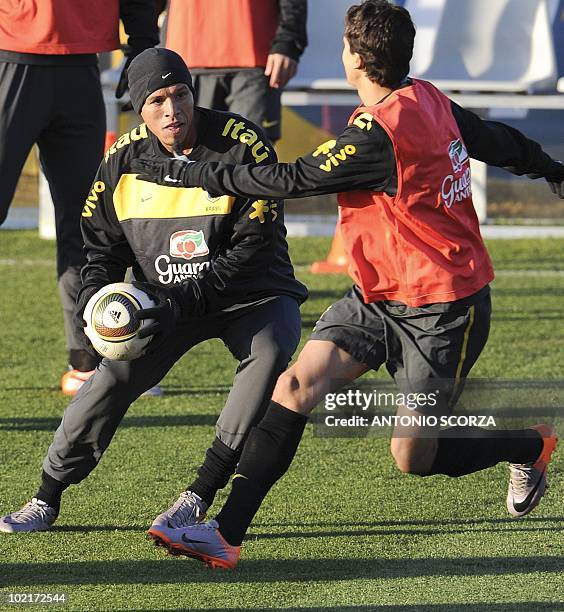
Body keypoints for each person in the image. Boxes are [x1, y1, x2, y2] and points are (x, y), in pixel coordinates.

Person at [129, 0, 562, 569]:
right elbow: (494, 140)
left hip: (444, 308)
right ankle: (225, 534)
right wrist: (553, 170)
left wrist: (192, 170)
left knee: (412, 456)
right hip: (379, 296)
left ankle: (530, 445)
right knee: (296, 385)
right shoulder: (424, 95)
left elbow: (286, 180)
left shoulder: (375, 137)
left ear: (356, 59)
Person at [0, 48, 307, 542]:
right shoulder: (121, 160)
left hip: (252, 295)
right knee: (108, 379)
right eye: (158, 100)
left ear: (193, 93)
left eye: (181, 94)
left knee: (269, 354)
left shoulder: (241, 142)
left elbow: (254, 249)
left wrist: (183, 298)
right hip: (162, 303)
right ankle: (46, 495)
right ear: (139, 109)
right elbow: (98, 248)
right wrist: (96, 302)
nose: (172, 109)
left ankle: (197, 496)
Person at [0, 0, 159, 395]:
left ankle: (88, 357)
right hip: (9, 55)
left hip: (81, 67)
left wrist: (141, 44)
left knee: (88, 223)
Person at [165, 0, 307, 143]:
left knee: (252, 153)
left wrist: (288, 41)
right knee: (189, 153)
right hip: (185, 55)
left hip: (255, 57)